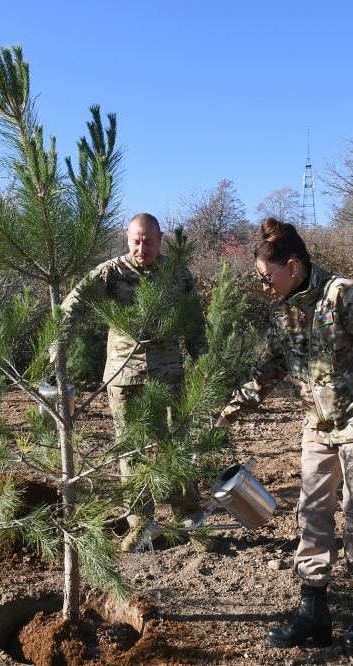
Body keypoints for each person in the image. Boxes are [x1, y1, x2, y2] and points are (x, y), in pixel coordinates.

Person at [215, 217, 353, 654]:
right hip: (319, 426)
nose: (265, 286)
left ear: (293, 266)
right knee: (311, 515)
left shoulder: (344, 294)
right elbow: (266, 371)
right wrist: (225, 413)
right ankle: (313, 610)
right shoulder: (283, 310)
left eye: (268, 278)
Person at [58, 212, 207, 551]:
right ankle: (140, 523)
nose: (143, 248)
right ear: (128, 240)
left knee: (175, 446)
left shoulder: (177, 274)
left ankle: (189, 517)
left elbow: (195, 322)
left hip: (170, 375)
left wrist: (205, 360)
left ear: (160, 239)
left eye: (149, 241)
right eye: (136, 241)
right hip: (126, 377)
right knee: (131, 449)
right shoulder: (112, 272)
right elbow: (74, 301)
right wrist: (59, 339)